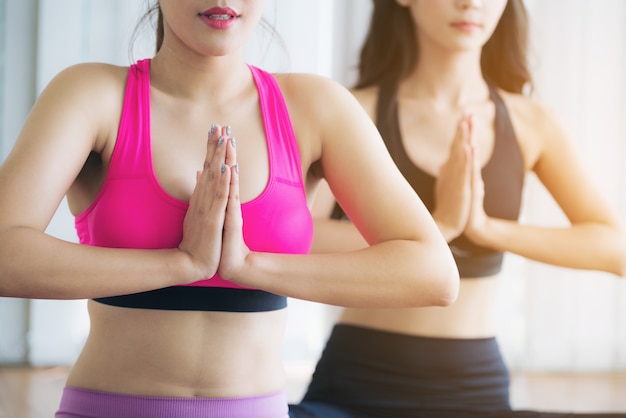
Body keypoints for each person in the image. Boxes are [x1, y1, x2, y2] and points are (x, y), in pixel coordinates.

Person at [0, 1, 461, 417]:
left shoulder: (317, 107)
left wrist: (249, 267)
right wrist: (179, 264)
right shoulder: (92, 93)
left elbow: (433, 273)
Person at [290, 0, 626, 417]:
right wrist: (438, 226)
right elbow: (298, 238)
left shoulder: (532, 123)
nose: (471, 3)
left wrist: (485, 228)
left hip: (474, 384)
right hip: (359, 376)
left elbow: (614, 249)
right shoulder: (353, 111)